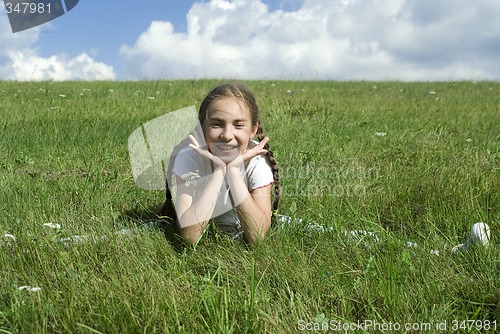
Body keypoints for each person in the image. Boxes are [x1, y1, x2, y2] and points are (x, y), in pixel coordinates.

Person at [158, 83, 280, 245]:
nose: (227, 135)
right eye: (217, 124)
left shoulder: (258, 160)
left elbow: (256, 237)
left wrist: (234, 171)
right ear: (202, 128)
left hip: (238, 225)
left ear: (253, 130)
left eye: (238, 125)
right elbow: (189, 238)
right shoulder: (188, 158)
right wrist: (219, 171)